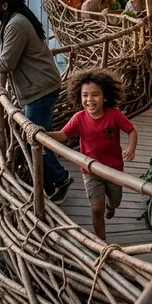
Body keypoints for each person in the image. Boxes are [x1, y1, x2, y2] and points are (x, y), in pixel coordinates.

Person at [0, 0, 73, 202]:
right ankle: (51, 184)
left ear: (4, 5)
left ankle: (60, 179)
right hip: (38, 87)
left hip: (39, 89)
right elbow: (11, 56)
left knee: (35, 140)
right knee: (37, 137)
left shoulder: (15, 24)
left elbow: (7, 62)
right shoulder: (13, 21)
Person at [49, 69, 138, 240]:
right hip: (90, 171)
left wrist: (131, 148)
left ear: (105, 97)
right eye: (85, 95)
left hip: (114, 169)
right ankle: (101, 242)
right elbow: (62, 135)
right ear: (79, 97)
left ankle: (111, 206)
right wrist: (42, 133)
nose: (89, 100)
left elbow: (131, 130)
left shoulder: (114, 115)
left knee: (115, 200)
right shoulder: (78, 118)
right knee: (96, 208)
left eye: (95, 95)